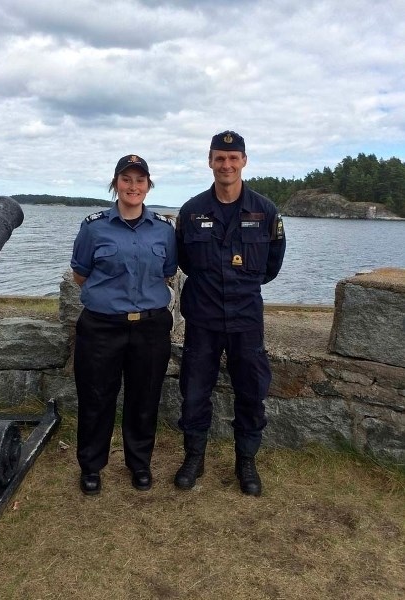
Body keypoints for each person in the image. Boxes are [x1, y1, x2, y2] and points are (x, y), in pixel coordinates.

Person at [174, 131, 286, 496]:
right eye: (219, 158)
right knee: (193, 392)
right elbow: (185, 261)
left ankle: (246, 462)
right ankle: (194, 457)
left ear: (244, 161)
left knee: (251, 393)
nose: (226, 164)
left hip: (246, 320)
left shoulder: (265, 211)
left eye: (233, 158)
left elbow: (271, 266)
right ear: (210, 161)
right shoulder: (192, 211)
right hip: (203, 319)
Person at [71, 154, 177, 495]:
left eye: (140, 180)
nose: (133, 186)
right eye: (126, 179)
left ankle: (139, 463)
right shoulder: (94, 226)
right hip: (102, 327)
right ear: (115, 183)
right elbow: (80, 274)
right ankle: (91, 466)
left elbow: (168, 271)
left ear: (148, 186)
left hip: (150, 327)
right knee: (96, 397)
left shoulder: (164, 229)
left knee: (144, 398)